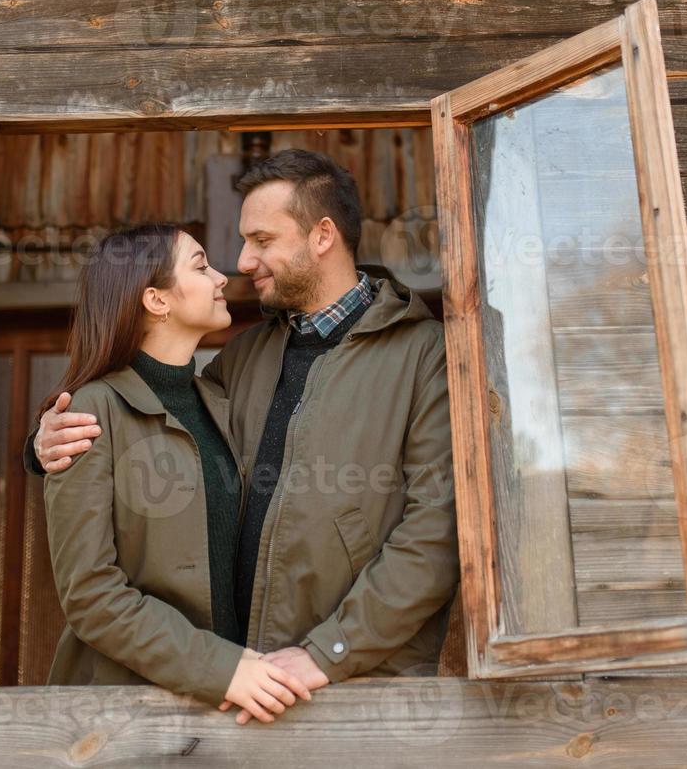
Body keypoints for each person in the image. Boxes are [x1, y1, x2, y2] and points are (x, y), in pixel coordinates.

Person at [32, 150, 459, 722]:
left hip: (347, 685)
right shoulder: (243, 357)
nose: (241, 261)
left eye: (261, 239)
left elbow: (436, 531)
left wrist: (331, 650)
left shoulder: (425, 352)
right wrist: (44, 448)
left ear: (322, 235)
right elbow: (147, 417)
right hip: (221, 682)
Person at [39, 222, 313, 725]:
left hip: (231, 707)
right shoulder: (91, 411)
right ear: (156, 300)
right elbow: (90, 595)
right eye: (201, 265)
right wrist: (219, 668)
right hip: (122, 716)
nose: (221, 278)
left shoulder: (216, 401)